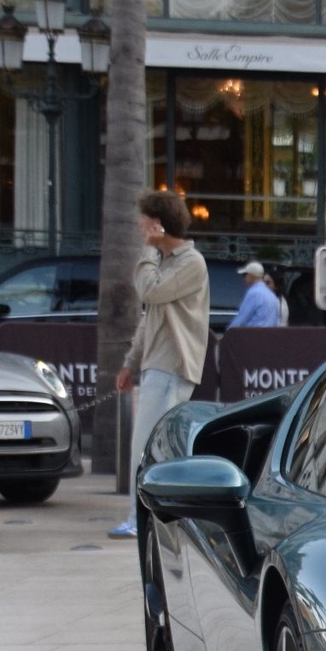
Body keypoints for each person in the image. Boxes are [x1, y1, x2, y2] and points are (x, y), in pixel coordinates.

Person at [110, 190, 211, 540]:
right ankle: (155, 516)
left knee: (148, 447)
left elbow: (149, 292)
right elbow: (149, 318)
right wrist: (130, 363)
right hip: (158, 364)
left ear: (157, 223)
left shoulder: (189, 262)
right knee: (155, 446)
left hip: (174, 365)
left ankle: (143, 518)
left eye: (144, 219)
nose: (138, 225)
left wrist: (150, 251)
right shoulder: (166, 262)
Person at [230, 259, 283, 329]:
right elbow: (276, 322)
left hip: (253, 337)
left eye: (245, 275)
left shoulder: (254, 293)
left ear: (251, 276)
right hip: (269, 337)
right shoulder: (271, 295)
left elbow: (241, 319)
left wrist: (227, 335)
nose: (244, 278)